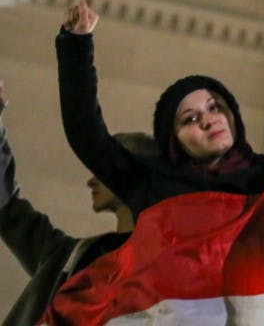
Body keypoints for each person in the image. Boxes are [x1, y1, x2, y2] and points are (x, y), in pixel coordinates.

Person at [56, 0, 264, 219]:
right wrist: (76, 45)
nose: (208, 121)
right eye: (191, 119)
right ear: (174, 142)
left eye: (214, 107)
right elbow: (85, 132)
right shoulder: (151, 184)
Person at [0, 80, 159, 325]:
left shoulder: (169, 276)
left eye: (102, 168)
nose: (90, 180)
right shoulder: (66, 257)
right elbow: (7, 207)